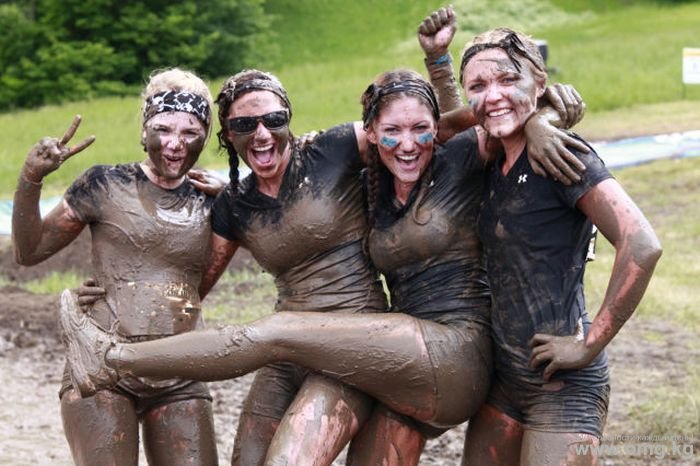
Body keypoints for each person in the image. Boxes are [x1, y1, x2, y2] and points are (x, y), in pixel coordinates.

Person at [59, 61, 591, 464]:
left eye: (274, 119)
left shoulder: (334, 149)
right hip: (295, 351)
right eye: (245, 125)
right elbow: (191, 285)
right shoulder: (234, 206)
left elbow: (427, 127)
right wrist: (117, 290)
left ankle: (108, 360)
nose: (261, 132)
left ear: (289, 120)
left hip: (361, 342)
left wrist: (537, 116)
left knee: (286, 425)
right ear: (229, 137)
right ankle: (108, 356)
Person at [453, 28, 662, 465]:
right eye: (478, 85)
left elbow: (641, 244)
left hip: (563, 386)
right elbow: (443, 126)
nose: (493, 95)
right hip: (504, 383)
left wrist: (589, 344)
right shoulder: (493, 157)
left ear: (540, 82)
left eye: (509, 80)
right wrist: (536, 118)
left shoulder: (562, 155)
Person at [12, 68, 222, 465]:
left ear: (205, 137)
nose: (175, 144)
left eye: (190, 132)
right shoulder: (103, 184)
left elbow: (268, 247)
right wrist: (31, 178)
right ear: (144, 131)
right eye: (163, 129)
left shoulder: (213, 200)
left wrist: (237, 198)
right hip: (101, 368)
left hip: (181, 371)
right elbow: (29, 251)